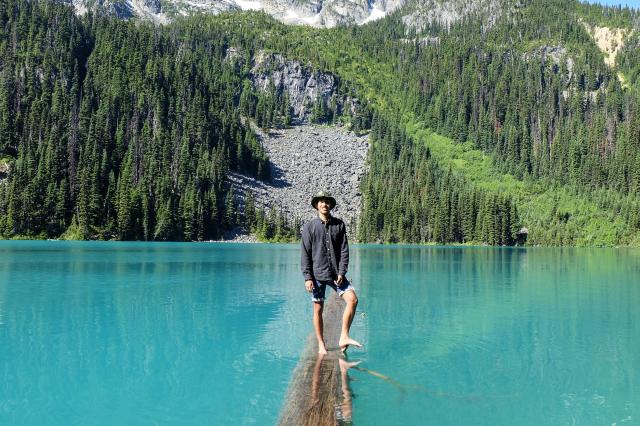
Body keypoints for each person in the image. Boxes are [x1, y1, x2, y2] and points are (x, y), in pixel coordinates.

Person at [301, 191, 362, 355]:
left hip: (336, 275)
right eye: (321, 201)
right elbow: (305, 253)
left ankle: (344, 336)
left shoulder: (339, 225)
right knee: (318, 309)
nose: (324, 204)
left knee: (353, 299)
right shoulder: (309, 227)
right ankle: (321, 344)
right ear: (316, 205)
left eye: (327, 201)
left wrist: (342, 271)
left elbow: (344, 251)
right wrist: (308, 277)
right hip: (317, 276)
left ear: (331, 205)